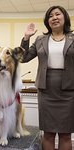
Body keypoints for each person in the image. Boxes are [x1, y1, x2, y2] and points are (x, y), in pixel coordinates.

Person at [20, 6, 74, 150]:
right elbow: (23, 58)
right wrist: (26, 37)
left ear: (65, 17)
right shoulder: (40, 39)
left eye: (58, 14)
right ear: (47, 21)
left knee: (65, 134)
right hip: (46, 91)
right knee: (48, 133)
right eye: (51, 16)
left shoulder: (73, 38)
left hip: (69, 91)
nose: (54, 17)